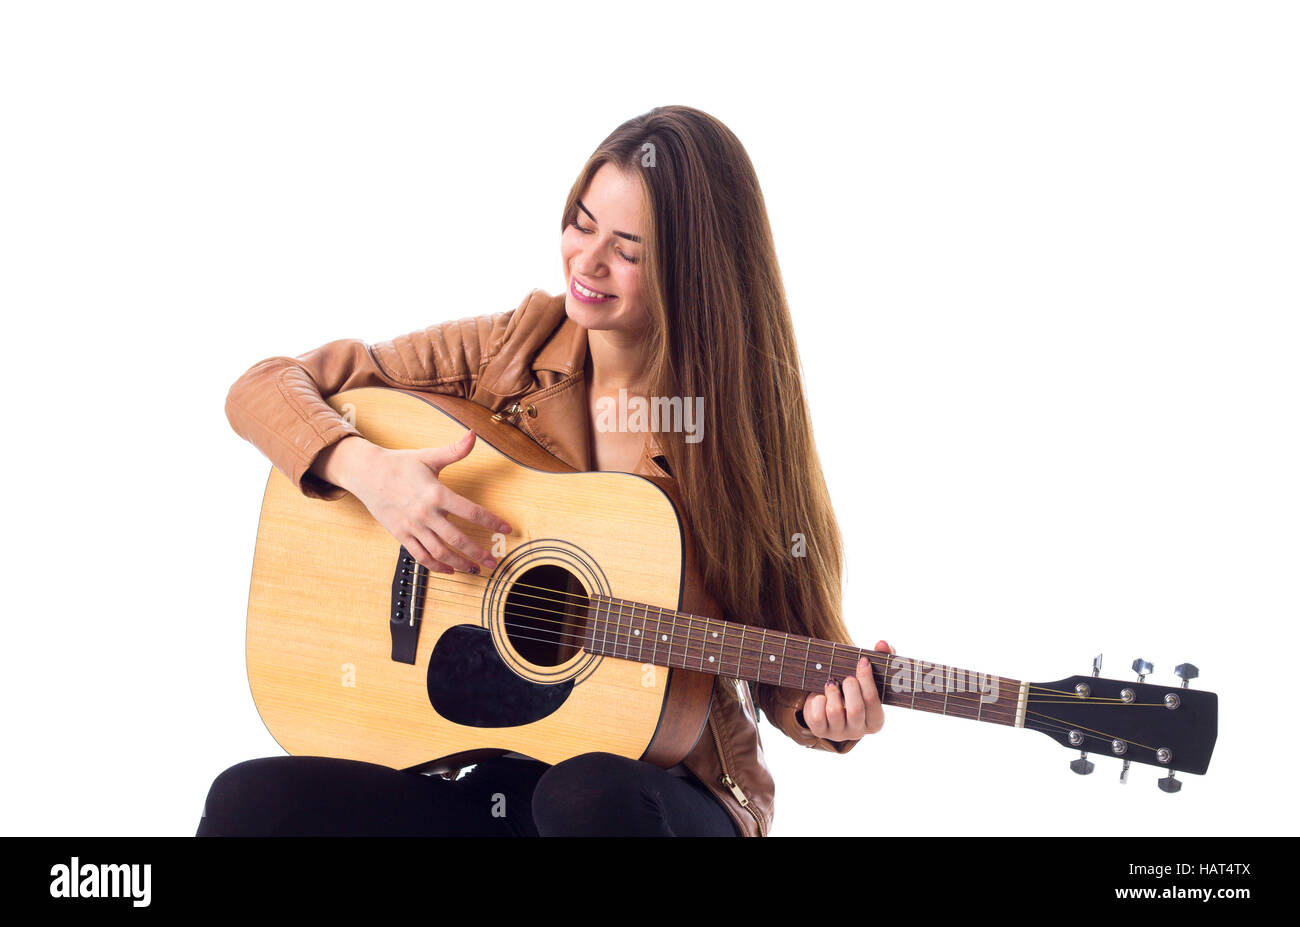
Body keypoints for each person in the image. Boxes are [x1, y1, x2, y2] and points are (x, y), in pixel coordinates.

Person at [199, 105, 892, 837]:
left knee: (587, 792)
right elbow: (264, 387)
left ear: (696, 270)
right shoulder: (509, 351)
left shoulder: (739, 429)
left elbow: (792, 656)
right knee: (251, 802)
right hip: (495, 772)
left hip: (661, 794)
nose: (586, 263)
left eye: (627, 248)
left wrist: (826, 714)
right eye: (581, 223)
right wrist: (373, 473)